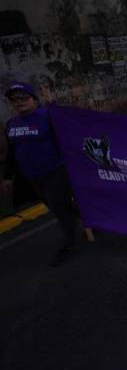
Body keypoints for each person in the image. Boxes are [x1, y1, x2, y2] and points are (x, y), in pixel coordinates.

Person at [2, 82, 82, 266]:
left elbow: (69, 139)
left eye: (23, 98)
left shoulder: (49, 117)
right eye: (14, 100)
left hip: (56, 172)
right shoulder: (11, 124)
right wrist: (7, 177)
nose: (19, 102)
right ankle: (91, 217)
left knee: (60, 207)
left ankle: (69, 243)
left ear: (34, 100)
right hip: (33, 177)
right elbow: (12, 153)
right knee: (56, 207)